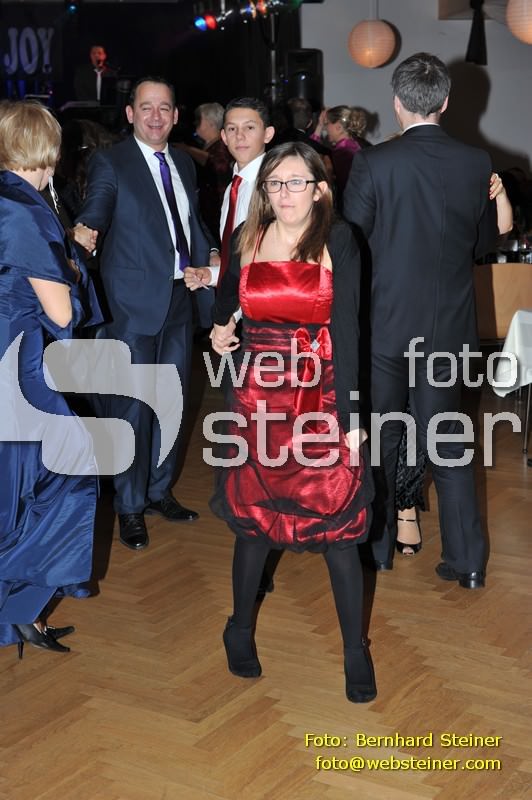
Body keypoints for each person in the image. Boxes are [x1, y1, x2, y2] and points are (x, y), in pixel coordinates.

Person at [209, 141, 376, 703]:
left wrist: (352, 417)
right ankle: (238, 627)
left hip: (320, 397)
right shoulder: (246, 237)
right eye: (275, 183)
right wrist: (221, 328)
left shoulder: (339, 240)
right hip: (258, 399)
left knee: (338, 528)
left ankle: (355, 649)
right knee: (255, 524)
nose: (285, 193)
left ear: (320, 189)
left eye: (296, 182)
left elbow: (349, 332)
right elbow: (227, 300)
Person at [343, 52, 513, 588]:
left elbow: (350, 247)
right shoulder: (475, 162)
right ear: (445, 101)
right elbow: (480, 244)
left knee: (383, 438)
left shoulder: (374, 163)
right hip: (449, 329)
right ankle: (468, 562)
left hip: (385, 325)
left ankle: (378, 550)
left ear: (397, 103)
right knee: (449, 443)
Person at [73, 77, 216, 551]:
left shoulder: (185, 163)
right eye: (146, 107)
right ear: (130, 114)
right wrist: (85, 230)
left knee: (172, 401)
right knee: (132, 407)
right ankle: (129, 506)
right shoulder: (110, 161)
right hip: (131, 307)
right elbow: (96, 210)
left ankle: (158, 491)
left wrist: (211, 255)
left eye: (165, 108)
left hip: (179, 299)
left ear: (176, 116)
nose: (156, 116)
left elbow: (189, 223)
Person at [0, 100, 101, 656]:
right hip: (19, 372)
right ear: (50, 150)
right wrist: (74, 262)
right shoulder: (28, 211)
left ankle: (20, 613)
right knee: (70, 475)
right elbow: (62, 315)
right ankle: (19, 609)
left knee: (20, 488)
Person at [393, 171, 513, 558]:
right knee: (398, 425)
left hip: (440, 338)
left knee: (425, 428)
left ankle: (408, 511)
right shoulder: (391, 216)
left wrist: (500, 193)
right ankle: (400, 511)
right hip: (390, 331)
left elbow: (501, 229)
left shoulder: (451, 221)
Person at [183, 97, 275, 291]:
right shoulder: (233, 188)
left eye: (249, 128)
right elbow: (239, 262)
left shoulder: (276, 187)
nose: (239, 136)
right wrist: (212, 275)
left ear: (267, 134)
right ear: (223, 136)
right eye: (232, 129)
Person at [177, 102, 233, 243]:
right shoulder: (209, 145)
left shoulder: (221, 145)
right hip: (209, 210)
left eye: (199, 119)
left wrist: (187, 149)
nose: (195, 123)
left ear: (210, 123)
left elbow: (218, 166)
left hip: (217, 211)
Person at [311, 106, 364, 211]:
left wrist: (319, 127)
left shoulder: (342, 152)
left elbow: (309, 153)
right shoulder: (353, 146)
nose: (326, 128)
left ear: (338, 127)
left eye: (327, 124)